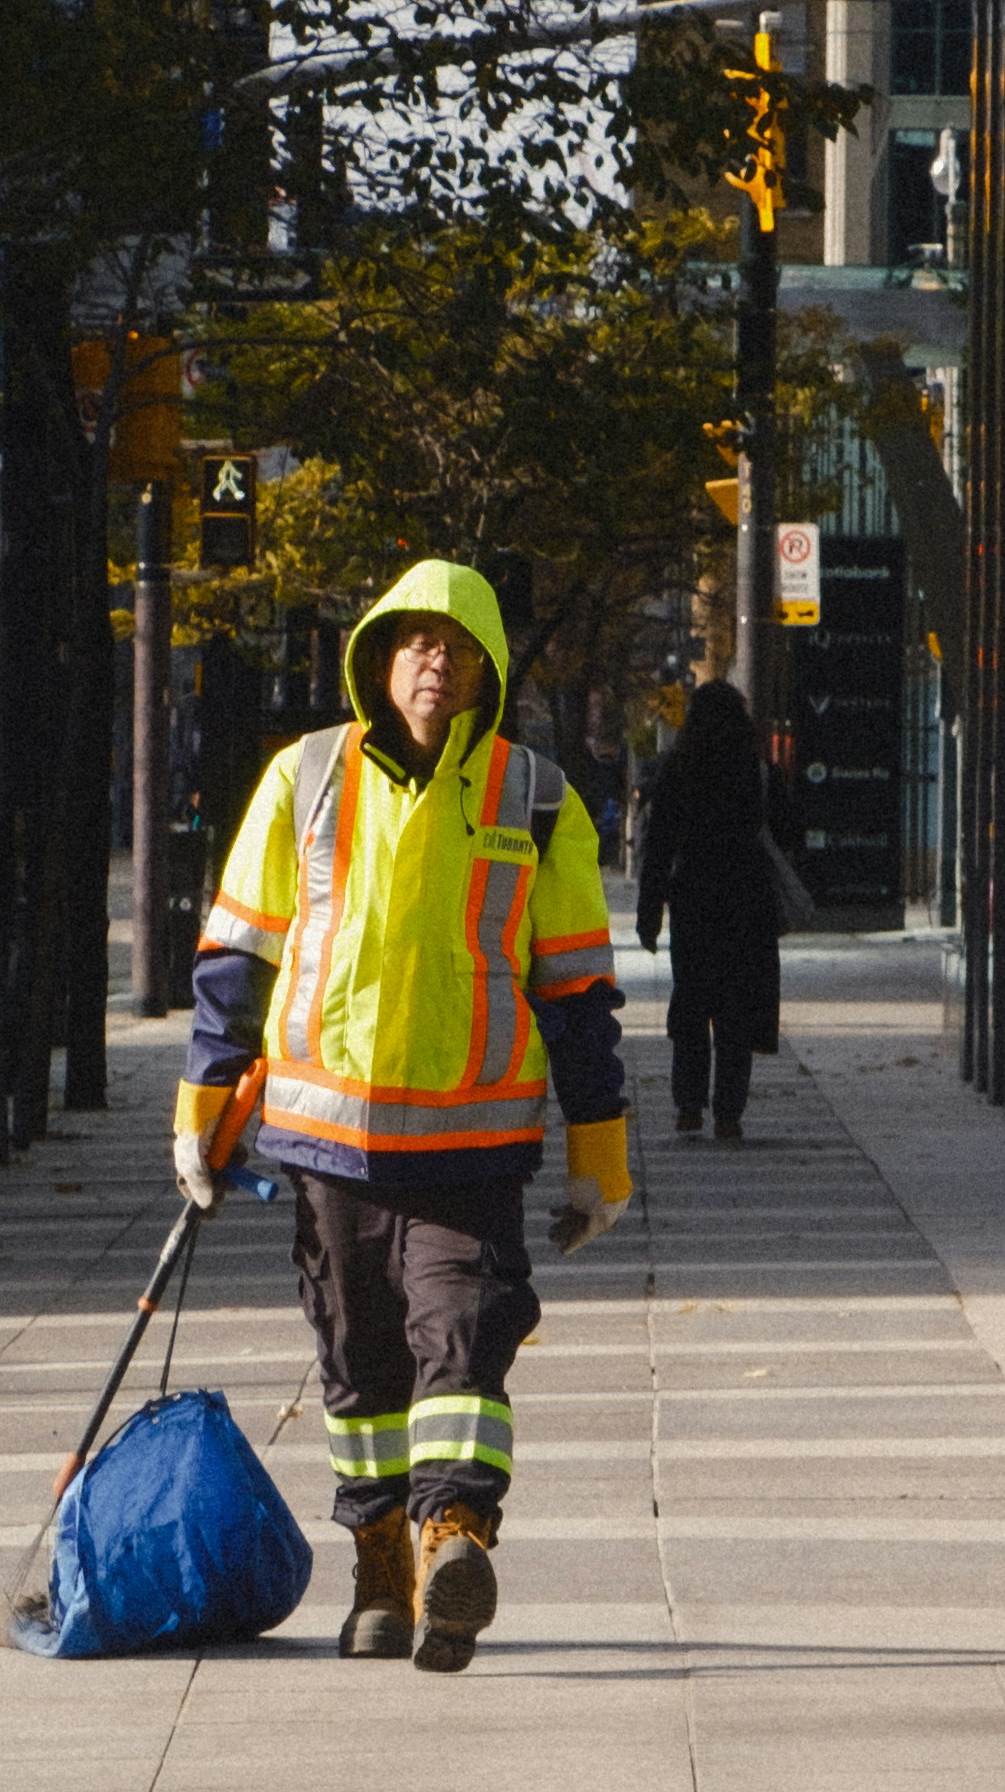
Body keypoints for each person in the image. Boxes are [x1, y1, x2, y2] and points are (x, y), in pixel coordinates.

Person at [177, 559, 632, 1674]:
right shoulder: (307, 778)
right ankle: (381, 1565)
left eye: (456, 646)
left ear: (483, 671)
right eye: (414, 642)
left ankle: (450, 1537)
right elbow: (239, 954)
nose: (434, 661)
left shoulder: (534, 798)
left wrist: (598, 1153)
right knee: (359, 1365)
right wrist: (199, 1111)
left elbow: (576, 991)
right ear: (378, 660)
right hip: (328, 1144)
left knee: (464, 1342)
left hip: (472, 1146)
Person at [633, 680, 783, 1143]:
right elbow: (787, 827)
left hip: (694, 897)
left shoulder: (679, 770)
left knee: (693, 1000)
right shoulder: (756, 772)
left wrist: (649, 912)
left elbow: (658, 847)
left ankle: (689, 1106)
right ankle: (729, 1113)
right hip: (746, 899)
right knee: (738, 1006)